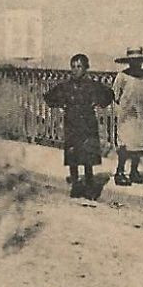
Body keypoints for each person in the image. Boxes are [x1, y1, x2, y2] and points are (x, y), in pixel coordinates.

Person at [43, 54, 115, 198]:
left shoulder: (92, 85)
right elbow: (49, 97)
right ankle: (76, 184)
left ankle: (90, 185)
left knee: (88, 155)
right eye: (73, 67)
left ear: (86, 68)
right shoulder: (66, 86)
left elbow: (109, 95)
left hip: (88, 123)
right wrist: (60, 104)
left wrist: (98, 103)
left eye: (79, 66)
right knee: (73, 154)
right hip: (72, 123)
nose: (75, 70)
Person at [112, 47, 143, 187]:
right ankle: (120, 172)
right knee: (125, 144)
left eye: (138, 61)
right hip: (127, 115)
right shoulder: (123, 76)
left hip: (141, 114)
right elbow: (116, 95)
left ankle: (134, 171)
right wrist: (122, 110)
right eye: (133, 61)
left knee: (138, 144)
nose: (135, 64)